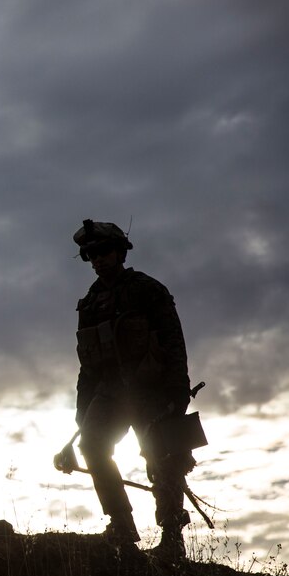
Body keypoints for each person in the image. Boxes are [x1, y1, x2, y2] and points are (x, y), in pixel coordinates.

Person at [73, 219, 197, 558]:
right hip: (109, 393)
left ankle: (172, 538)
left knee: (164, 456)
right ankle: (121, 525)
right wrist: (82, 409)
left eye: (102, 251)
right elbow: (88, 362)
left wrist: (177, 389)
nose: (96, 259)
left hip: (152, 390)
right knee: (92, 444)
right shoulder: (89, 303)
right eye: (90, 254)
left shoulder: (147, 289)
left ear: (119, 252)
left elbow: (173, 341)